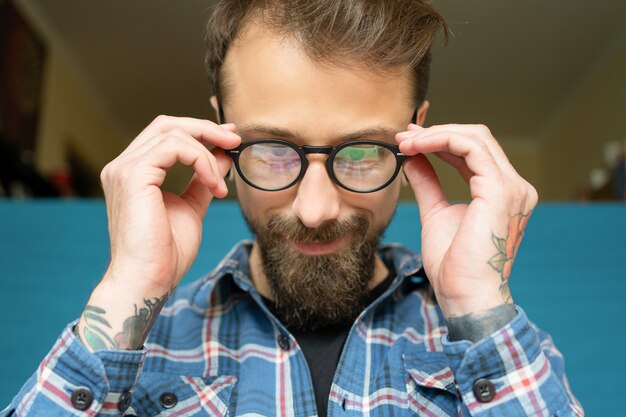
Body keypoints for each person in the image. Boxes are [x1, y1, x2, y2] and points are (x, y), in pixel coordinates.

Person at [4, 1, 583, 416]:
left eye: (361, 151)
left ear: (417, 137)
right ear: (220, 133)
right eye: (272, 149)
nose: (314, 209)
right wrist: (128, 287)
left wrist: (478, 306)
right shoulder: (141, 350)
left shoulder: (498, 345)